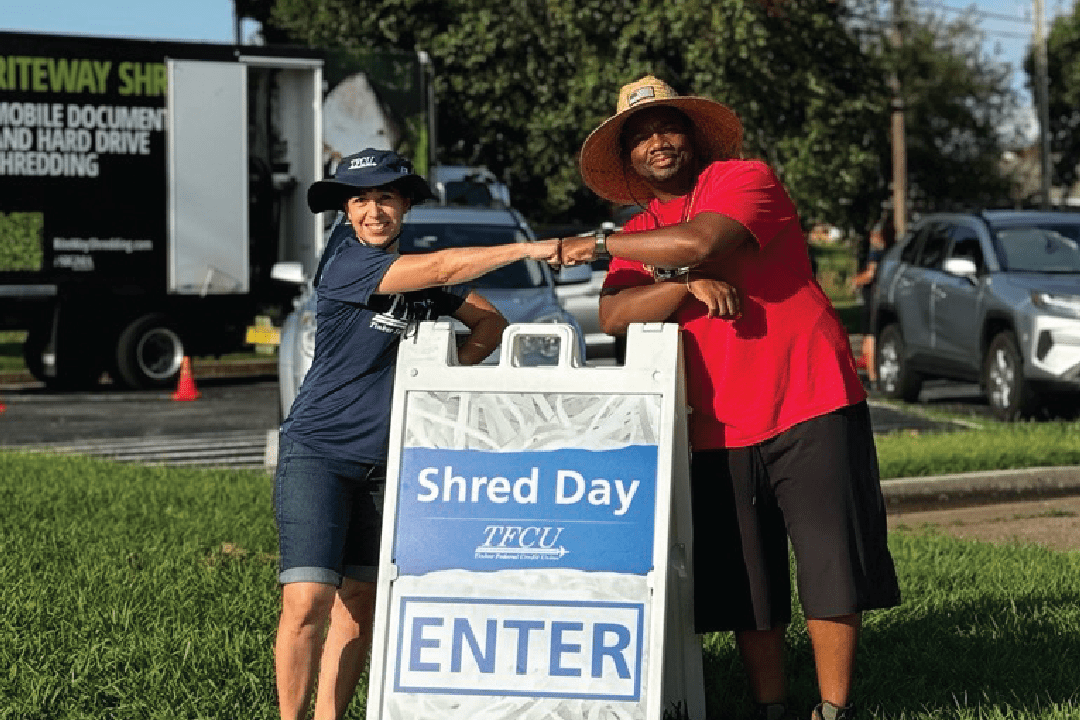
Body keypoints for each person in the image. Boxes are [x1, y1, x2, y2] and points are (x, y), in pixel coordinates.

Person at [559, 76, 901, 720]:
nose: (657, 142)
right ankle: (769, 705)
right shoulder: (643, 227)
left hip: (808, 393)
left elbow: (701, 243)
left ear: (691, 135)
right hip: (712, 419)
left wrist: (601, 244)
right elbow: (614, 315)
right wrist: (686, 291)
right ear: (628, 158)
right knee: (748, 574)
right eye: (639, 136)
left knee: (830, 560)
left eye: (667, 127)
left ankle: (834, 708)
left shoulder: (743, 179)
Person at [273, 148, 560, 720]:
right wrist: (529, 248)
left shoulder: (418, 287)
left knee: (360, 603)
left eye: (385, 198)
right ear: (346, 213)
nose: (372, 211)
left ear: (404, 205)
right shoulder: (346, 262)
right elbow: (448, 267)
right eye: (359, 200)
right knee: (308, 600)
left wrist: (441, 370)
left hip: (389, 462)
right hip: (318, 452)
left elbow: (491, 322)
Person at [850, 214, 894, 388]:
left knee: (870, 336)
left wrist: (854, 281)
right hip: (884, 296)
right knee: (874, 334)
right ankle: (874, 374)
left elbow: (870, 274)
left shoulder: (876, 253)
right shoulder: (892, 252)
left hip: (872, 297)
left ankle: (872, 375)